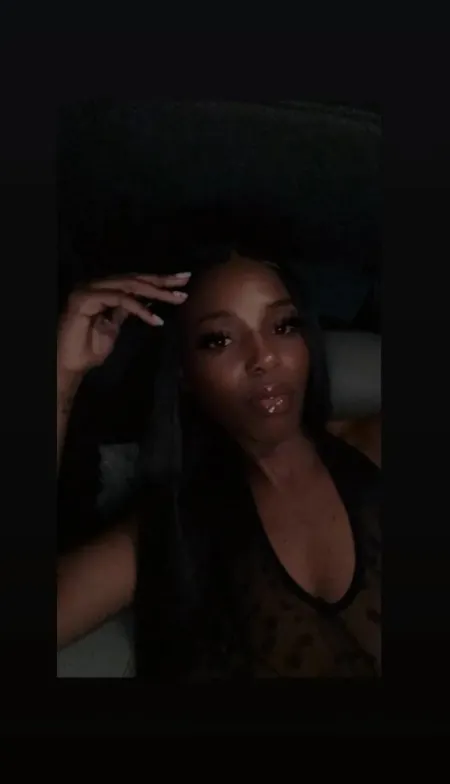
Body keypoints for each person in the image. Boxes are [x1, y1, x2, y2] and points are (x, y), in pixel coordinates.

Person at [57, 245, 381, 679]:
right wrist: (61, 377)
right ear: (185, 375)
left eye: (283, 326)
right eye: (219, 339)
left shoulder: (371, 447)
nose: (264, 357)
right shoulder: (167, 531)